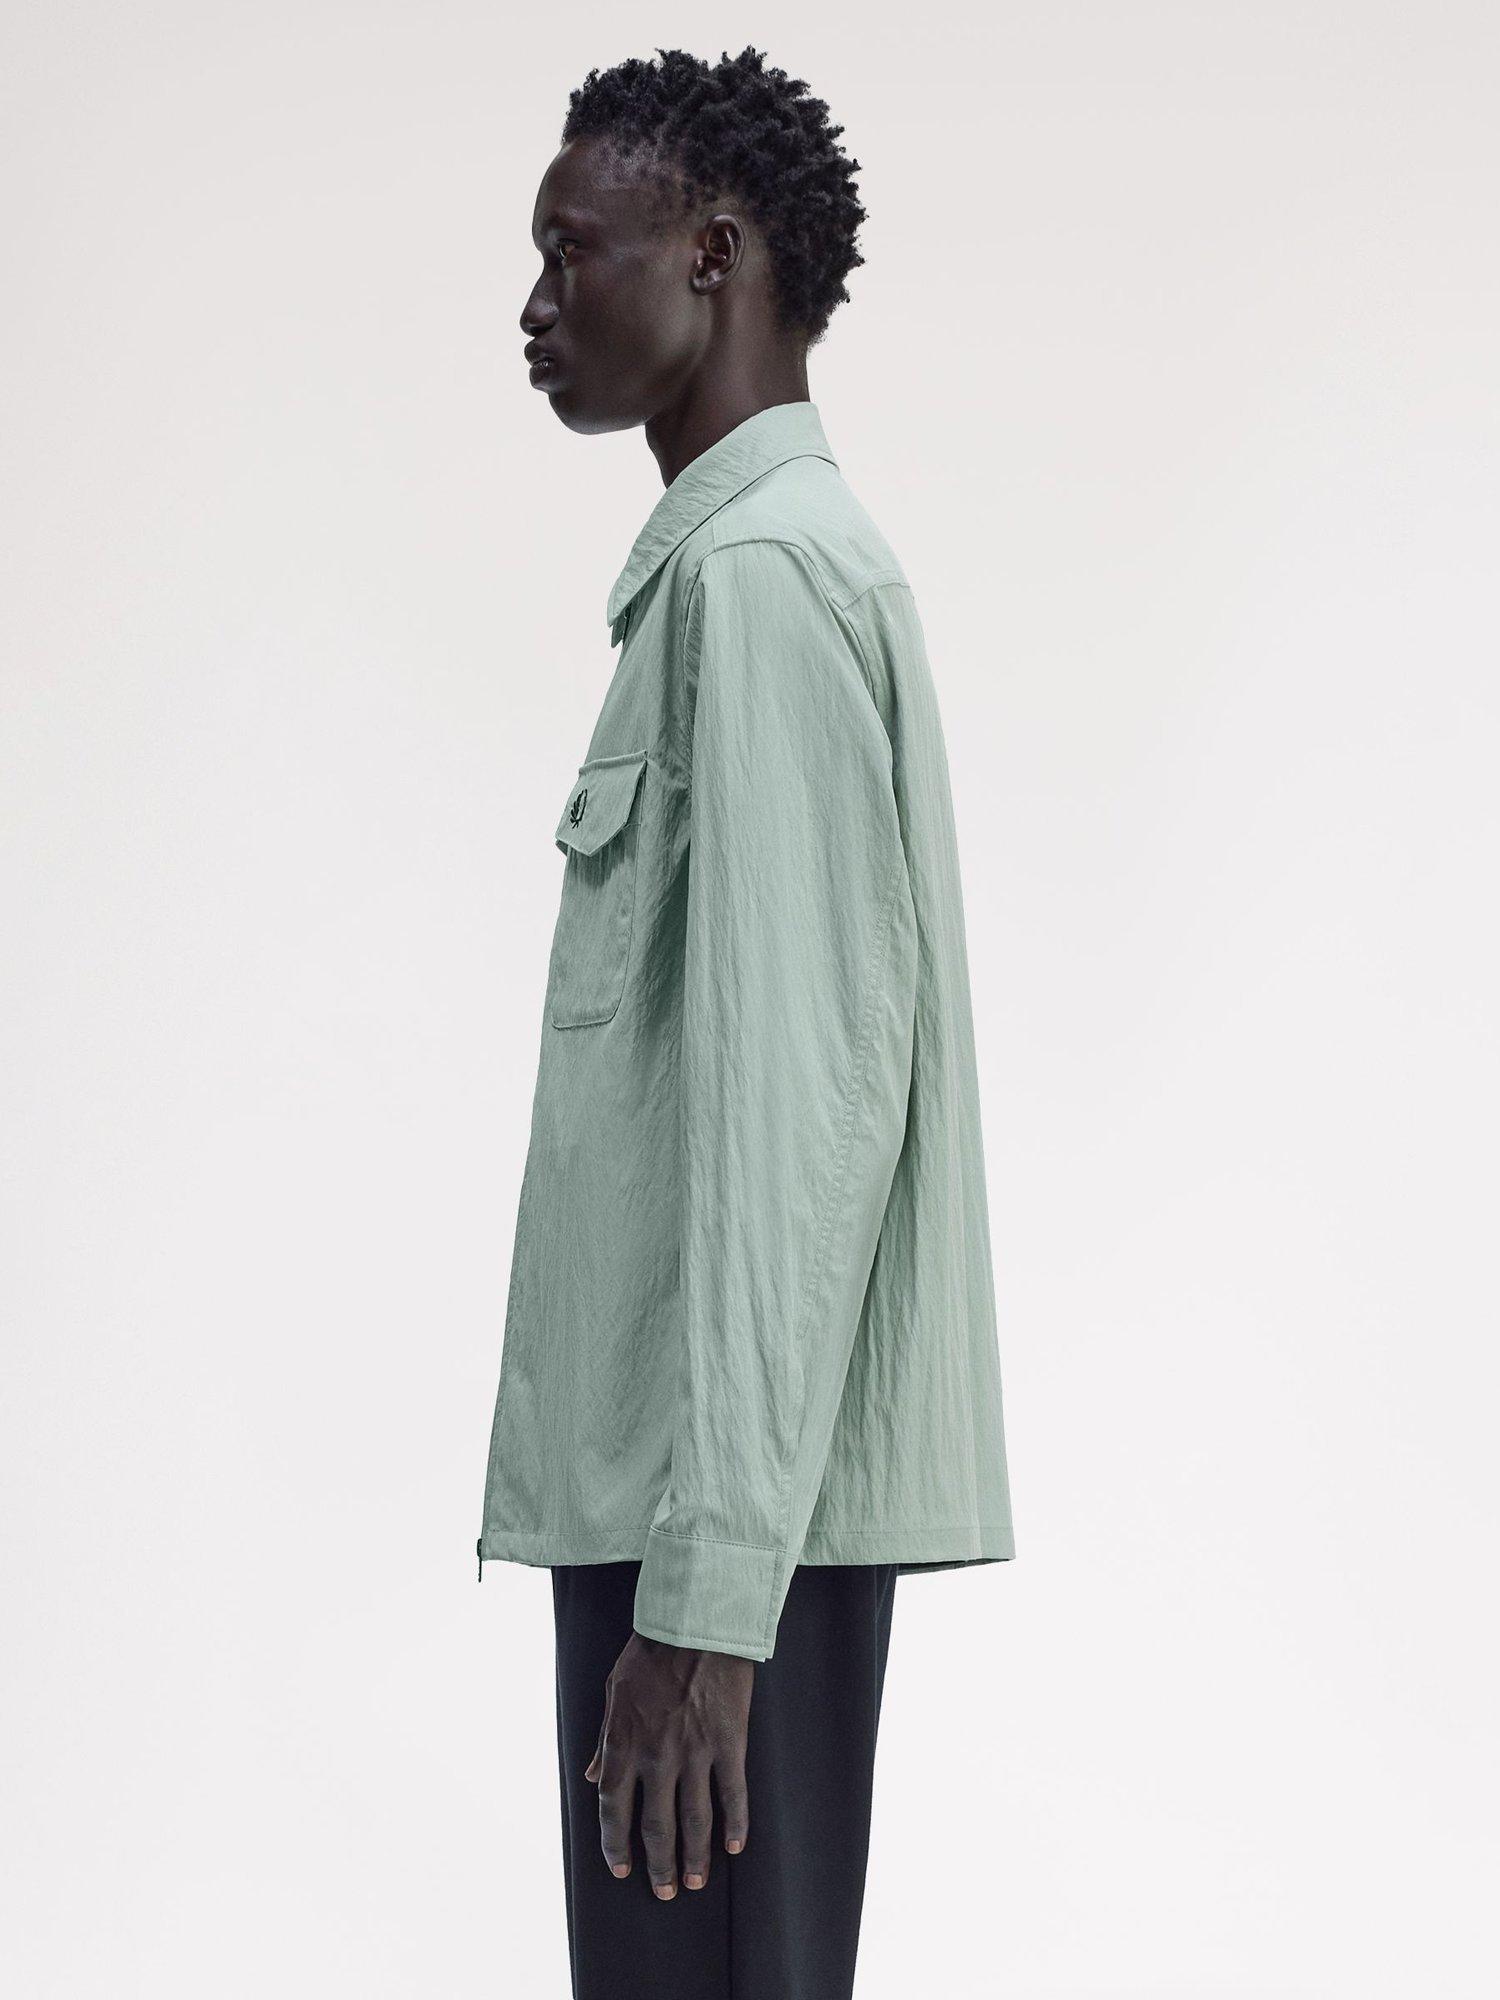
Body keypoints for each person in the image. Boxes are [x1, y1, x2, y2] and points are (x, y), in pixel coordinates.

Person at [477, 45, 1015, 2000]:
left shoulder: (766, 587)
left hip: (716, 1545)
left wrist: (707, 1608)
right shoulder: (736, 573)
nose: (535, 303)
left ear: (712, 254)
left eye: (572, 250)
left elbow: (801, 1123)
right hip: (701, 1516)